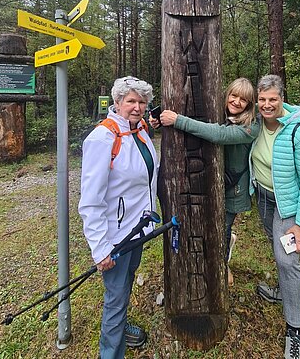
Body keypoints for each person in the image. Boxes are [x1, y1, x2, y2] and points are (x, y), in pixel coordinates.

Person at [78, 76, 159, 359]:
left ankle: (121, 326)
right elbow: (90, 201)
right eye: (131, 101)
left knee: (124, 285)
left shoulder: (139, 131)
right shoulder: (103, 138)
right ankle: (110, 353)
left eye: (141, 102)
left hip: (137, 229)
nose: (137, 107)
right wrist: (100, 248)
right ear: (117, 103)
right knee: (115, 297)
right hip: (115, 237)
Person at [153, 77, 259, 286]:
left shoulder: (250, 126)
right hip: (209, 181)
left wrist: (178, 120)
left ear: (250, 104)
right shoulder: (218, 113)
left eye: (243, 99)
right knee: (206, 223)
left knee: (223, 228)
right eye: (234, 95)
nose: (237, 102)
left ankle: (222, 264)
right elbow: (202, 126)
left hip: (233, 188)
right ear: (227, 95)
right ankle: (205, 260)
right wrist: (160, 123)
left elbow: (219, 134)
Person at [250, 74, 300, 359]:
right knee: (275, 245)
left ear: (282, 99)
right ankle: (282, 290)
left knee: (286, 259)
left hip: (288, 206)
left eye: (273, 100)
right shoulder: (255, 124)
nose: (267, 105)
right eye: (263, 99)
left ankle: (295, 332)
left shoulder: (299, 132)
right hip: (265, 198)